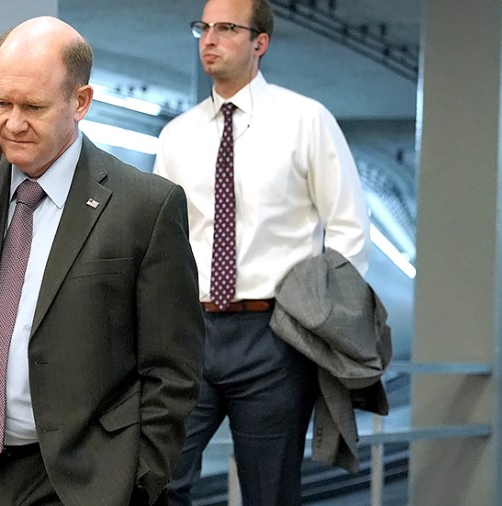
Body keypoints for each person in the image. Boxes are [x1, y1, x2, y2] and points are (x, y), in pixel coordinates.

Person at [0, 16, 204, 506]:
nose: (13, 123)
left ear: (80, 102)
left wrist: (135, 483)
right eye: (2, 103)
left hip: (75, 481)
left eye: (34, 106)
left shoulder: (144, 207)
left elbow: (173, 371)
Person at [153, 0, 370, 504]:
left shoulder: (306, 121)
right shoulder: (176, 136)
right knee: (159, 480)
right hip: (192, 334)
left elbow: (347, 229)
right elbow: (163, 242)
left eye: (226, 27)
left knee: (269, 493)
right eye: (203, 28)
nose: (209, 38)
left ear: (260, 42)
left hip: (275, 336)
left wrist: (324, 323)